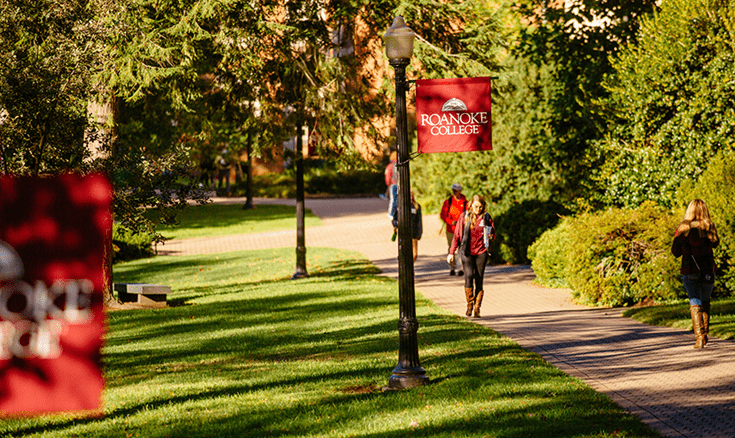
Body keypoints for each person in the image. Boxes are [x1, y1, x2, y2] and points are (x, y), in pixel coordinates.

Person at [671, 199, 720, 348]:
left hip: (689, 269)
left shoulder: (683, 228)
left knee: (695, 302)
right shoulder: (709, 227)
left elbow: (675, 252)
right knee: (705, 302)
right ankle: (704, 335)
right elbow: (716, 244)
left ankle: (699, 338)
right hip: (707, 270)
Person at [448, 195, 495, 318]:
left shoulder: (486, 217)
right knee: (468, 276)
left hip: (481, 252)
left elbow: (493, 233)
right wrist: (451, 252)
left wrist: (490, 236)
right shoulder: (465, 217)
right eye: (476, 206)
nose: (478, 209)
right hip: (466, 253)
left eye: (480, 207)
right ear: (471, 205)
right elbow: (457, 236)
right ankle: (469, 305)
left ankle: (477, 308)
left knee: (479, 279)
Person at [440, 183, 467, 276]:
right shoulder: (448, 202)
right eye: (453, 190)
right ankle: (452, 267)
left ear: (460, 191)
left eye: (456, 190)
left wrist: (462, 222)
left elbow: (468, 215)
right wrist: (450, 221)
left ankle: (460, 268)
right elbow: (443, 214)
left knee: (461, 248)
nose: (455, 192)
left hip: (462, 230)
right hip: (450, 229)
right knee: (451, 248)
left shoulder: (465, 202)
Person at [392, 190, 422, 263]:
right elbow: (394, 219)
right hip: (403, 234)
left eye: (411, 194)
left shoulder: (416, 206)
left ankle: (410, 267)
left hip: (413, 234)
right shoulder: (399, 206)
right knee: (404, 254)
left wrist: (419, 233)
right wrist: (396, 224)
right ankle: (406, 268)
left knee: (414, 255)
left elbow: (419, 221)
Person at [385, 151, 398, 222]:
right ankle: (396, 213)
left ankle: (391, 213)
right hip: (399, 184)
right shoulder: (400, 165)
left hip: (393, 184)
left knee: (393, 199)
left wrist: (388, 184)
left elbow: (387, 177)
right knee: (398, 199)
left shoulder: (390, 166)